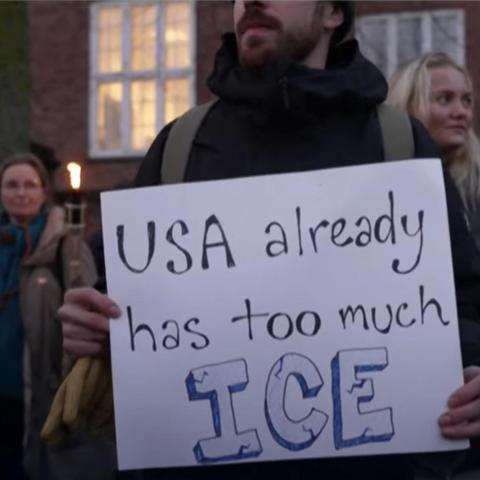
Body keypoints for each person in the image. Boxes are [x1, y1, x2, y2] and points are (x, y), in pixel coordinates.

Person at [58, 2, 480, 479]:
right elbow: (123, 310)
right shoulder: (180, 147)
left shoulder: (398, 143)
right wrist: (91, 332)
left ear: (332, 15)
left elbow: (462, 300)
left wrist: (472, 369)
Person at [0, 152, 97, 479]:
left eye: (30, 184)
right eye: (11, 185)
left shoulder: (64, 246)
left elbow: (89, 308)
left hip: (41, 391)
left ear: (43, 192)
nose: (20, 192)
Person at [388, 52, 480, 250]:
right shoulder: (377, 182)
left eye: (466, 100)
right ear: (407, 105)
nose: (461, 112)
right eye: (445, 99)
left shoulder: (475, 186)